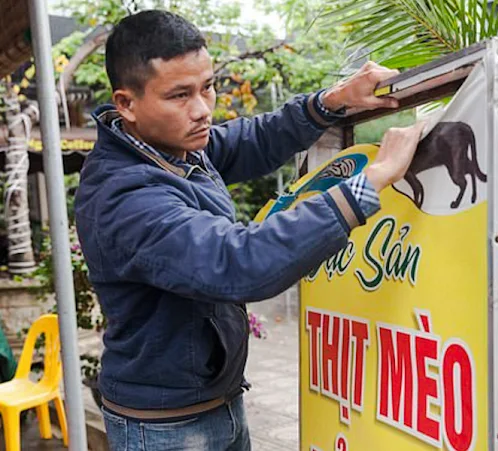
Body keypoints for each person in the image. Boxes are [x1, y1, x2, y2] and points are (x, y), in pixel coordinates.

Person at [74, 9, 424, 451]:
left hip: (216, 400)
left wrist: (331, 102)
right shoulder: (123, 198)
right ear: (126, 103)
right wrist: (370, 182)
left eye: (208, 87)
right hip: (164, 429)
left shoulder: (172, 148)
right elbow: (238, 263)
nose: (202, 110)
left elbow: (248, 140)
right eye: (180, 95)